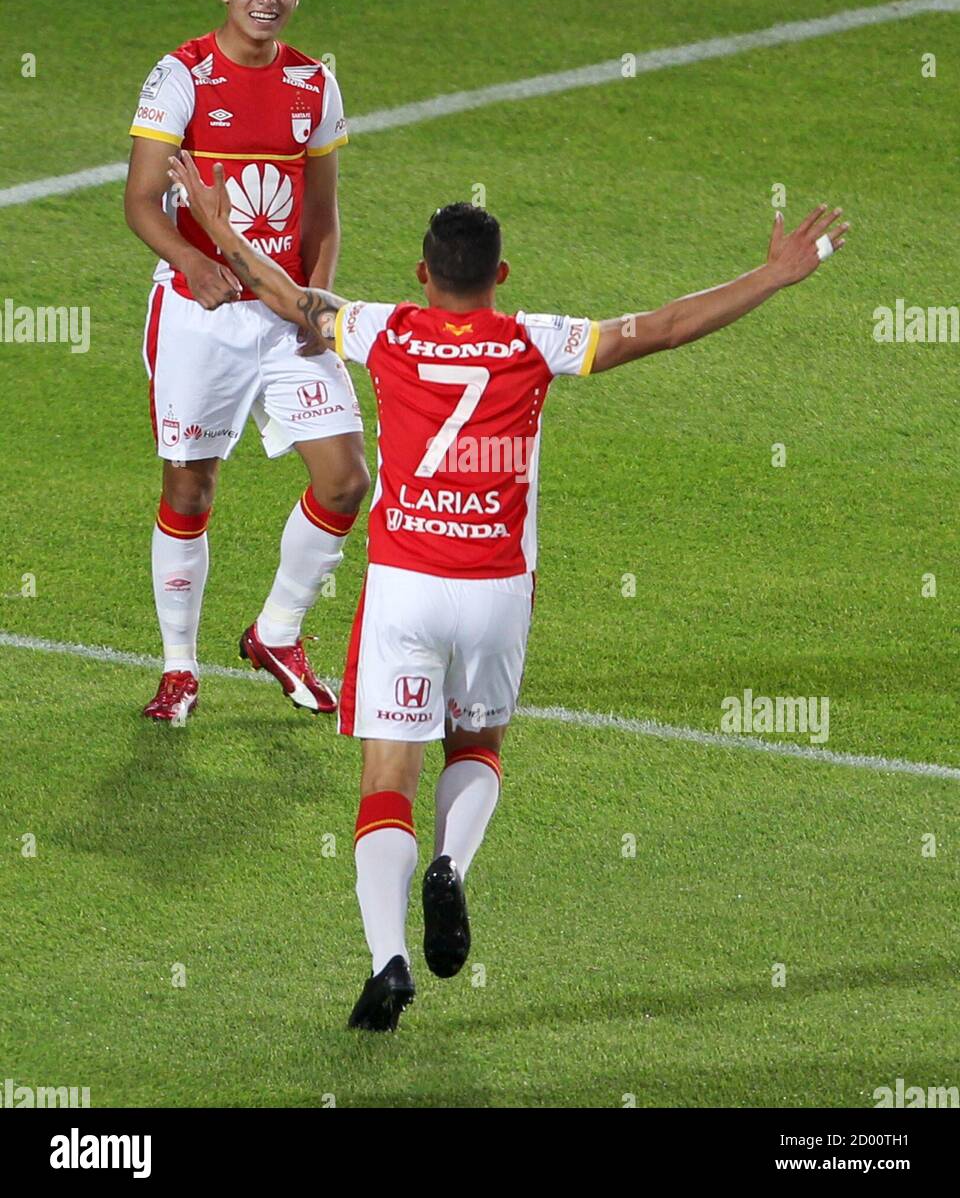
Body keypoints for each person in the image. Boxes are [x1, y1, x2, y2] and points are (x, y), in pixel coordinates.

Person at [168, 150, 848, 1030]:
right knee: (476, 744)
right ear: (501, 276)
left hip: (407, 586)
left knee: (385, 777)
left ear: (424, 273)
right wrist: (773, 273)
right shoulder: (539, 340)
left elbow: (278, 289)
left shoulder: (384, 329)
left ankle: (387, 962)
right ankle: (452, 864)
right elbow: (666, 327)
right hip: (494, 591)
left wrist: (217, 223)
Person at [124, 0, 368, 723]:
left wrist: (316, 304)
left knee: (344, 479)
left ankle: (277, 632)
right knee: (190, 489)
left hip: (286, 313)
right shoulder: (181, 75)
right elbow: (138, 200)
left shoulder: (315, 85)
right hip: (200, 316)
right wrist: (191, 262)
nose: (268, 0)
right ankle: (178, 668)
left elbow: (324, 219)